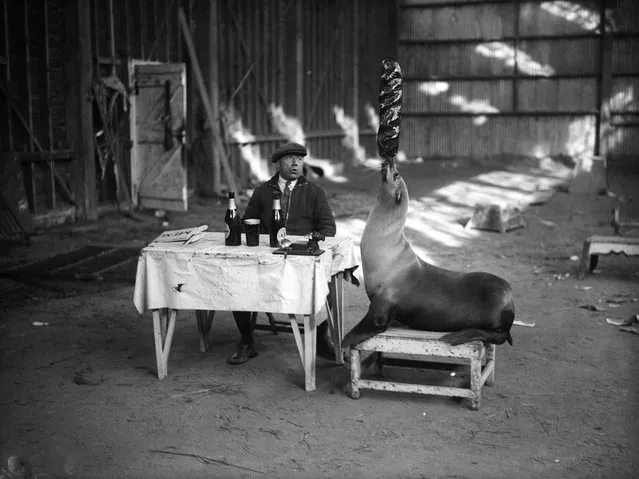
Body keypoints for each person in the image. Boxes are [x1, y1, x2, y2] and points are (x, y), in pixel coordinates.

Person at [227, 142, 337, 365]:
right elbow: (251, 222)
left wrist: (311, 239)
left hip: (301, 262)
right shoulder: (263, 191)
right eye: (290, 159)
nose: (296, 163)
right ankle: (247, 340)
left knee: (328, 283)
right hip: (267, 260)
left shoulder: (314, 192)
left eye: (300, 158)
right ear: (278, 162)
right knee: (237, 278)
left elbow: (329, 229)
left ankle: (321, 340)